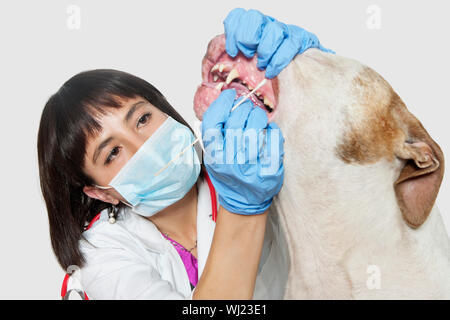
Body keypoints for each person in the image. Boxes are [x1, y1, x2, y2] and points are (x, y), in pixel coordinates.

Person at [37, 8, 333, 299]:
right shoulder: (101, 255)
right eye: (113, 153)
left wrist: (308, 73)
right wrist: (243, 208)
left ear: (164, 110)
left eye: (142, 119)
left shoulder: (247, 157)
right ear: (101, 193)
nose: (144, 147)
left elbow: (344, 165)